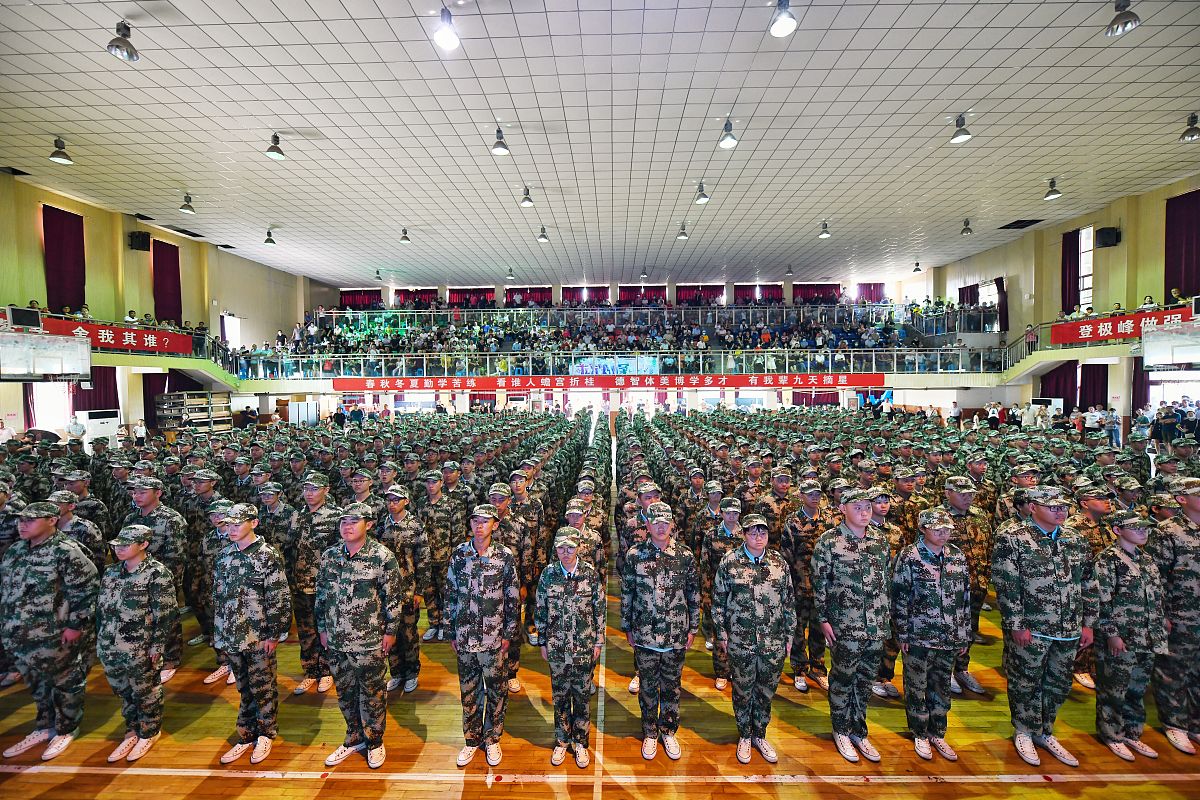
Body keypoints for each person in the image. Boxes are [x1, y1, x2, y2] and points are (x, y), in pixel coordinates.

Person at [991, 486, 1096, 768]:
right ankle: (1024, 730)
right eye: (1053, 507)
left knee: (1058, 683)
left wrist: (1088, 624)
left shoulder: (1075, 538)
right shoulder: (1013, 537)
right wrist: (1016, 624)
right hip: (1032, 626)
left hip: (1068, 627)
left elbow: (1088, 582)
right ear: (1033, 507)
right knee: (1025, 681)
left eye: (1063, 507)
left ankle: (1045, 730)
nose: (1060, 512)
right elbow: (1006, 583)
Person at [0, 502, 99, 761]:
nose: (22, 525)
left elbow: (86, 590)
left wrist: (76, 626)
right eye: (20, 520)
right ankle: (45, 725)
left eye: (30, 520)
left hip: (54, 634)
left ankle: (66, 728)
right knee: (37, 683)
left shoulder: (66, 551)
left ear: (52, 520)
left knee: (65, 682)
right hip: (20, 634)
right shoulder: (15, 551)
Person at [315, 503, 403, 770]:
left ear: (369, 524)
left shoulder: (381, 556)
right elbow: (321, 596)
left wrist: (390, 631)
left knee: (372, 692)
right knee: (344, 692)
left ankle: (374, 741)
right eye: (344, 521)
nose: (347, 526)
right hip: (337, 640)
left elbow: (393, 598)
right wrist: (322, 628)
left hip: (369, 641)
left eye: (354, 521)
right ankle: (353, 737)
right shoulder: (330, 556)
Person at [812, 488, 892, 764]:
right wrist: (823, 619)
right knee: (843, 679)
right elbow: (820, 584)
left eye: (867, 507)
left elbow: (885, 583)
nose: (864, 512)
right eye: (857, 507)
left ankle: (859, 729)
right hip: (845, 625)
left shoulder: (880, 541)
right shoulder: (829, 542)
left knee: (865, 680)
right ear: (842, 509)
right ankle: (841, 729)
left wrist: (885, 619)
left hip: (875, 626)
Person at [711, 513, 795, 764]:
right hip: (741, 640)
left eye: (763, 532)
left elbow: (789, 602)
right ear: (744, 534)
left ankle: (760, 733)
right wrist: (722, 634)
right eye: (753, 532)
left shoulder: (778, 563)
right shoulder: (730, 562)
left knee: (766, 691)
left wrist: (789, 635)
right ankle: (745, 735)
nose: (759, 537)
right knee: (742, 690)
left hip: (772, 641)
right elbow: (718, 602)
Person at [212, 504, 292, 766]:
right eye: (229, 524)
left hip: (259, 636)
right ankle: (246, 734)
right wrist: (220, 634)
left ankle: (266, 733)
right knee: (243, 688)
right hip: (232, 635)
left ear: (254, 523)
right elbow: (218, 597)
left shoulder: (267, 555)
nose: (232, 529)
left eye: (238, 524)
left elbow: (279, 597)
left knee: (263, 687)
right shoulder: (224, 555)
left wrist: (274, 634)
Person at [621, 503, 699, 761]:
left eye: (666, 522)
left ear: (672, 525)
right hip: (645, 634)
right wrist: (627, 626)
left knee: (672, 687)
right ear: (647, 525)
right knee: (647, 687)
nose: (661, 527)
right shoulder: (635, 555)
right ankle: (650, 732)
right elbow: (627, 593)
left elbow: (693, 594)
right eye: (656, 522)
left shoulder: (685, 556)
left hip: (676, 634)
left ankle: (668, 730)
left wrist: (693, 626)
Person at [891, 509, 971, 761]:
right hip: (918, 635)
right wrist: (902, 633)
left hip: (949, 636)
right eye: (937, 529)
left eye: (947, 529)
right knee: (916, 686)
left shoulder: (957, 556)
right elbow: (899, 596)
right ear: (923, 529)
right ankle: (919, 732)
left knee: (942, 685)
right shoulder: (909, 556)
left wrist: (964, 633)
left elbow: (964, 597)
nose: (943, 533)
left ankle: (938, 732)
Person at [445, 504, 521, 768]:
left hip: (493, 638)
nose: (479, 525)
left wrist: (509, 633)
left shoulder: (504, 556)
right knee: (469, 691)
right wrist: (450, 630)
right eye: (475, 520)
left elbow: (512, 598)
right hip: (465, 636)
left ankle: (492, 738)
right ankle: (471, 739)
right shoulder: (459, 554)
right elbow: (450, 594)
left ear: (495, 525)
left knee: (497, 690)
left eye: (485, 521)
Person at [95, 523, 177, 762]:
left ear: (143, 545)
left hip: (140, 647)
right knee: (123, 691)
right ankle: (132, 729)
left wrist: (157, 646)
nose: (119, 549)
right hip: (110, 645)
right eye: (116, 545)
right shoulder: (111, 572)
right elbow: (101, 609)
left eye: (125, 545)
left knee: (146, 691)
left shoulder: (157, 574)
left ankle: (149, 731)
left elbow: (166, 614)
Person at [1094, 511, 1167, 761]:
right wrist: (1112, 634)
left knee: (1137, 689)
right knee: (1114, 690)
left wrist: (1160, 624)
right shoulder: (1107, 560)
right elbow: (1101, 601)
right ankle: (1112, 735)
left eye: (1145, 527)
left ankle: (1133, 733)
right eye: (1135, 528)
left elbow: (1155, 596)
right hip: (1121, 637)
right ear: (1117, 530)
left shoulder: (1147, 559)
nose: (1142, 532)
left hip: (1147, 636)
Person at [535, 527, 605, 769]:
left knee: (582, 697)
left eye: (570, 548)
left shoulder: (590, 574)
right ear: (556, 549)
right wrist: (542, 640)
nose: (566, 553)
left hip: (584, 647)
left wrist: (598, 640)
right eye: (561, 548)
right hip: (556, 647)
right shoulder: (548, 574)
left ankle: (581, 742)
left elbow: (599, 609)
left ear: (579, 548)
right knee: (560, 696)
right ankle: (562, 739)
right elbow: (540, 610)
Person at [1147, 477, 1200, 754]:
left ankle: (1196, 723)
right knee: (1174, 670)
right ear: (1182, 499)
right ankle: (1175, 723)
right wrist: (1161, 613)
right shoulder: (1168, 531)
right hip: (1180, 614)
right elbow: (1155, 577)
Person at [286, 473, 342, 695]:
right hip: (300, 584)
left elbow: (340, 554)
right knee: (305, 630)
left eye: (314, 489)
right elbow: (291, 549)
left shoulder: (335, 516)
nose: (309, 493)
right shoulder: (296, 515)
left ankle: (327, 671)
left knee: (326, 629)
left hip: (324, 585)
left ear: (326, 490)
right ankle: (310, 670)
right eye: (306, 489)